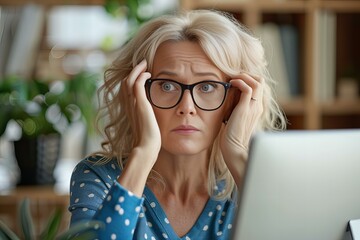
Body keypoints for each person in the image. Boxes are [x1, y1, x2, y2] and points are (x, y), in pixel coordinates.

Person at [69, 9, 286, 240]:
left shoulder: (255, 183)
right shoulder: (100, 177)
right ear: (138, 93)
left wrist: (236, 151)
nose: (187, 107)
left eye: (207, 87)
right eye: (167, 86)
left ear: (235, 99)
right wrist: (143, 153)